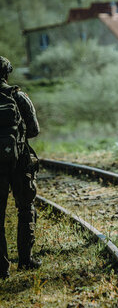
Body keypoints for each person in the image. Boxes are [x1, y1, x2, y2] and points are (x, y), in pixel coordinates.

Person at [0, 56, 41, 279]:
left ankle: (2, 269)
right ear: (7, 73)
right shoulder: (18, 96)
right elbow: (34, 130)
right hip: (19, 160)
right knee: (25, 209)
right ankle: (25, 260)